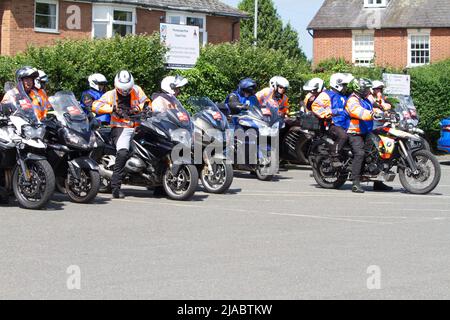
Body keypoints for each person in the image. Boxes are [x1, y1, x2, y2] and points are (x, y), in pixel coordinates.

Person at [92, 70, 149, 199]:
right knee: (122, 152)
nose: (125, 92)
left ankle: (158, 185)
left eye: (127, 89)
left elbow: (147, 102)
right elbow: (95, 106)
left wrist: (141, 108)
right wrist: (110, 108)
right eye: (122, 89)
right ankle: (116, 187)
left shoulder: (137, 90)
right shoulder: (110, 95)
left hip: (139, 126)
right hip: (121, 128)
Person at [311, 73, 354, 166]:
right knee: (343, 136)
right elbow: (315, 106)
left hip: (346, 123)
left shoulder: (344, 96)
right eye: (344, 85)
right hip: (332, 124)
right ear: (337, 84)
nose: (346, 87)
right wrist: (328, 113)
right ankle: (334, 157)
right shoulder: (327, 95)